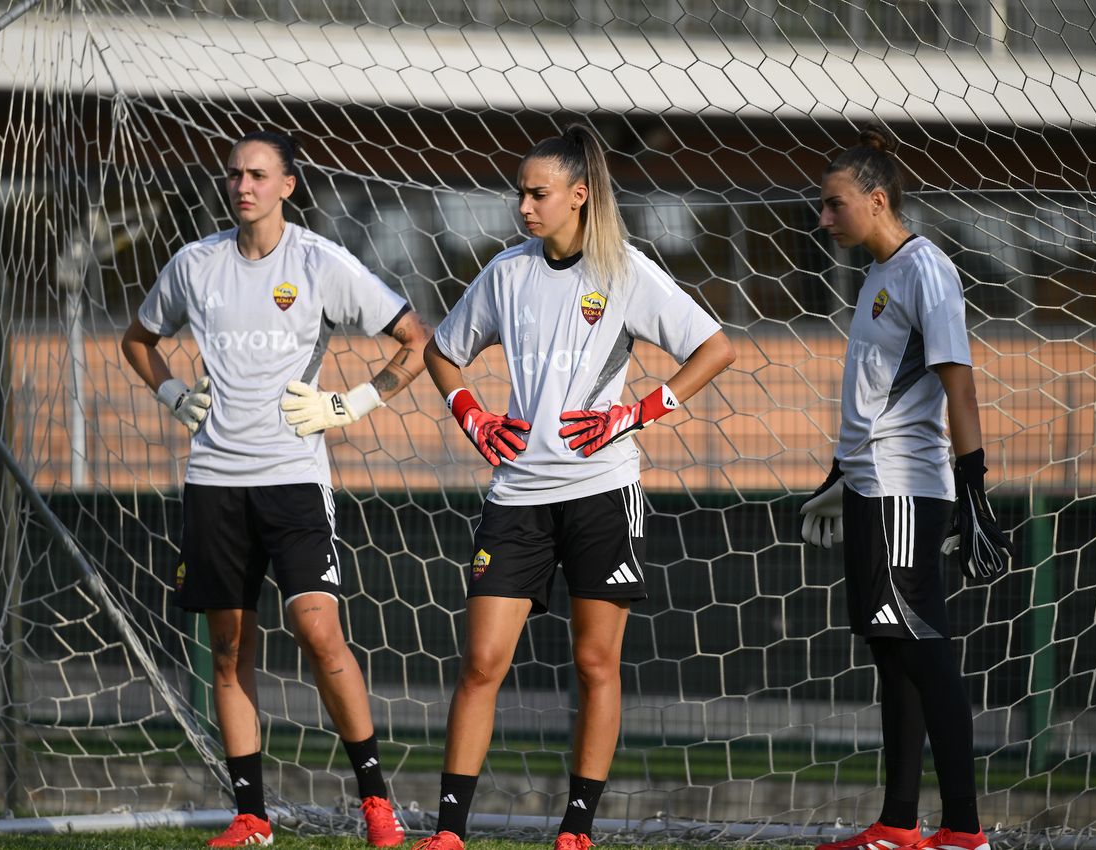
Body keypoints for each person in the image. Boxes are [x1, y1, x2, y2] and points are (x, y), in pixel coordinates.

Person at [416, 124, 736, 850]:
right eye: (519, 193)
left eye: (538, 193)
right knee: (480, 664)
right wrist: (472, 414)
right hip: (517, 496)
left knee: (594, 663)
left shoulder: (624, 272)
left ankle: (576, 830)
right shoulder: (505, 273)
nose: (523, 206)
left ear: (579, 196)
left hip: (601, 494)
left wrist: (639, 411)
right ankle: (447, 833)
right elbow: (442, 352)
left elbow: (713, 347)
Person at [121, 130, 429, 849]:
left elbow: (415, 339)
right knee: (227, 652)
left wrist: (350, 403)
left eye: (257, 174)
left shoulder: (321, 263)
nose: (242, 186)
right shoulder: (194, 264)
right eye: (233, 174)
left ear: (287, 185)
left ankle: (378, 804)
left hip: (293, 480)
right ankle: (251, 816)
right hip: (214, 483)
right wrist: (170, 391)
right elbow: (136, 339)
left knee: (320, 633)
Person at [799, 127, 1015, 850]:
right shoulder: (874, 278)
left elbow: (959, 387)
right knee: (890, 649)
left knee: (922, 646)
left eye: (833, 206)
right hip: (868, 487)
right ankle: (897, 823)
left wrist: (972, 488)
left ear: (876, 199)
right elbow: (872, 394)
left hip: (904, 489)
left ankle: (962, 830)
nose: (822, 218)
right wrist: (837, 473)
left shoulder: (928, 270)